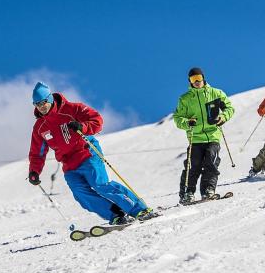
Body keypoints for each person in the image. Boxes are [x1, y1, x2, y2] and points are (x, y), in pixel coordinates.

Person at [27, 82, 152, 224]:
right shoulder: (40, 127)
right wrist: (34, 171)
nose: (41, 107)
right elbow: (37, 152)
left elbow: (97, 120)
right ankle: (115, 215)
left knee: (100, 184)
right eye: (37, 104)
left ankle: (139, 209)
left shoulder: (72, 109)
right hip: (69, 164)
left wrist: (83, 127)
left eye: (43, 102)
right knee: (81, 194)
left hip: (87, 153)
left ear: (49, 99)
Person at [173, 67, 235, 204]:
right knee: (193, 165)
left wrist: (223, 117)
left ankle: (208, 190)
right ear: (189, 81)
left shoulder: (216, 93)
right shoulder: (185, 99)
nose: (197, 82)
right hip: (195, 137)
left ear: (203, 78)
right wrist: (187, 122)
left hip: (213, 135)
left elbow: (229, 108)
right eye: (193, 79)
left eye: (198, 78)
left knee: (211, 161)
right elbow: (177, 118)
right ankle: (187, 193)